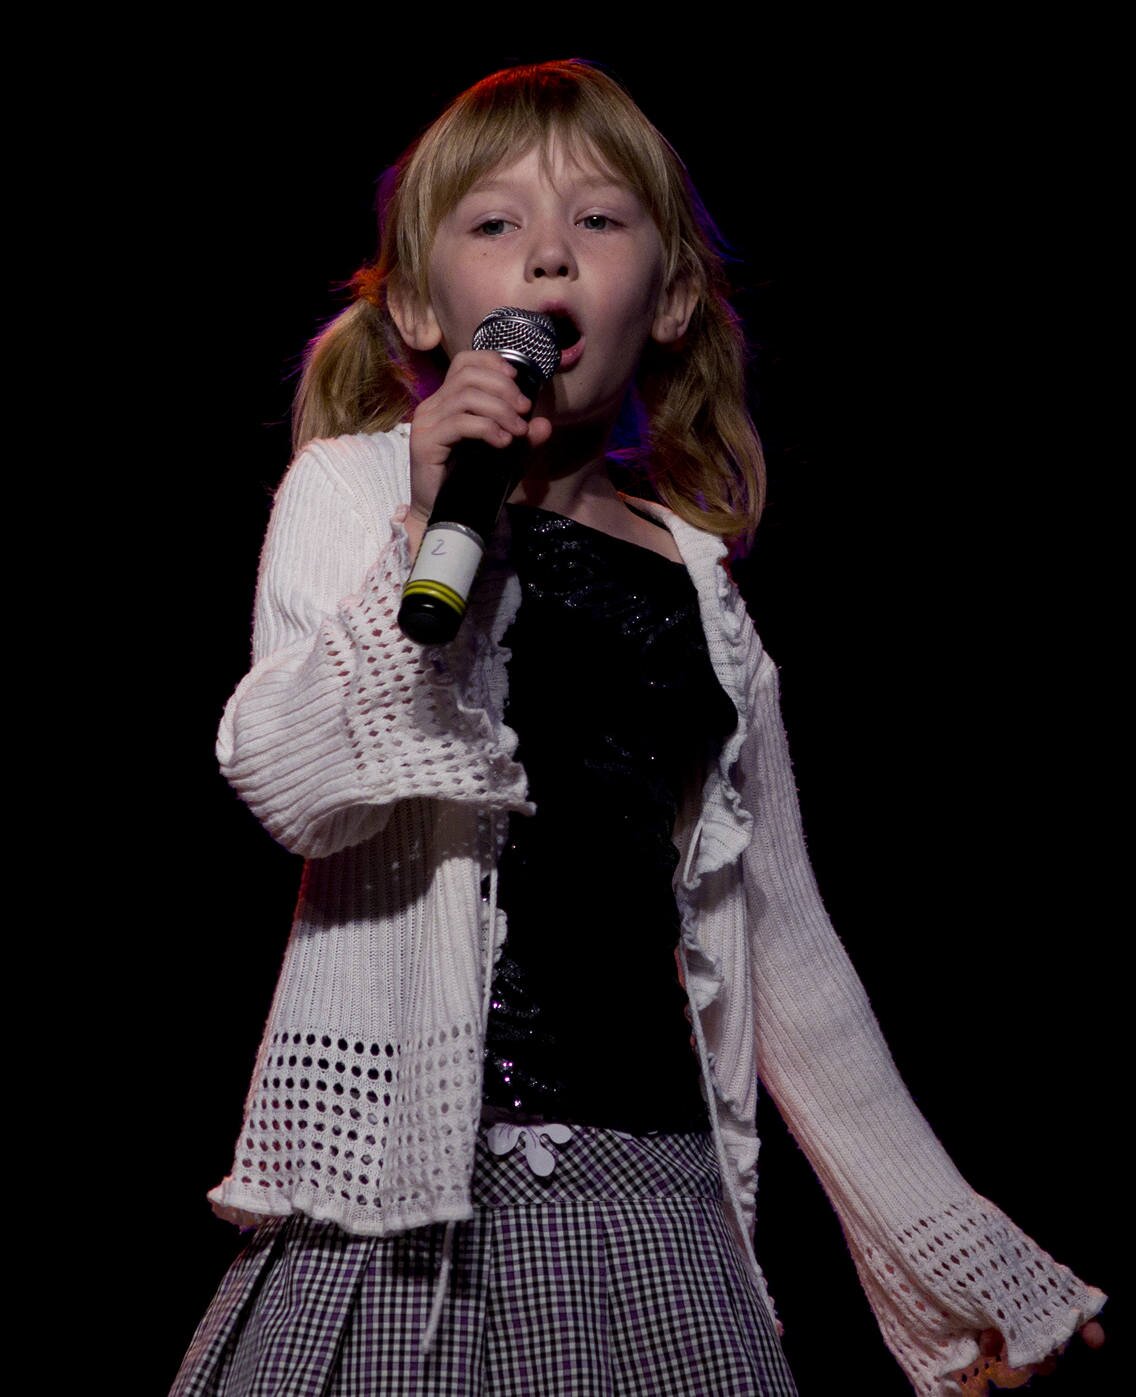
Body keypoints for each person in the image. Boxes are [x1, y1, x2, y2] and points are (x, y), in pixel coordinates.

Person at [172, 60, 1105, 1396]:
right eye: (494, 222)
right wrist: (426, 531)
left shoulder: (702, 591)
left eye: (599, 220)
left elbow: (786, 951)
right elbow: (289, 779)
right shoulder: (358, 490)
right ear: (425, 305)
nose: (548, 252)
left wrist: (964, 1264)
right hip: (398, 1212)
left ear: (667, 300)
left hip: (649, 1198)